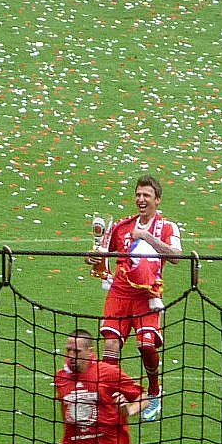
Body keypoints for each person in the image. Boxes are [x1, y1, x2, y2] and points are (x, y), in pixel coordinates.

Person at [90, 176, 181, 423]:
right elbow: (103, 256)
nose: (141, 200)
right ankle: (108, 398)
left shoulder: (168, 227)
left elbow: (175, 257)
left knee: (147, 345)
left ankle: (154, 394)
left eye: (146, 196)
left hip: (148, 295)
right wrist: (93, 259)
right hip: (119, 293)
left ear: (157, 200)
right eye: (138, 195)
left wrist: (145, 236)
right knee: (111, 346)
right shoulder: (121, 226)